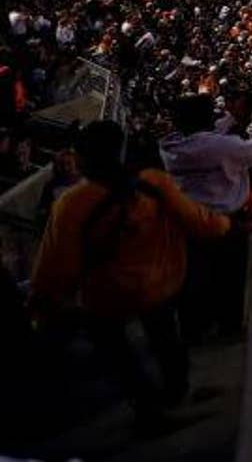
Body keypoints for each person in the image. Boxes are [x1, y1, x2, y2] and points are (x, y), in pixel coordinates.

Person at [31, 121, 231, 431]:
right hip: (157, 286)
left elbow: (57, 263)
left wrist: (44, 302)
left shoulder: (71, 204)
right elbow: (199, 221)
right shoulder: (153, 183)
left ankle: (149, 411)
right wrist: (228, 225)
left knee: (120, 357)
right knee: (167, 340)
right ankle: (176, 393)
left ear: (83, 159)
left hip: (103, 296)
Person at [160, 93, 252, 337]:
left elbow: (207, 136)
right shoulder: (218, 147)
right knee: (228, 279)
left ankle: (194, 329)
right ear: (205, 118)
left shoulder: (172, 146)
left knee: (194, 279)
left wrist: (233, 116)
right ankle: (228, 328)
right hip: (224, 225)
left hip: (189, 222)